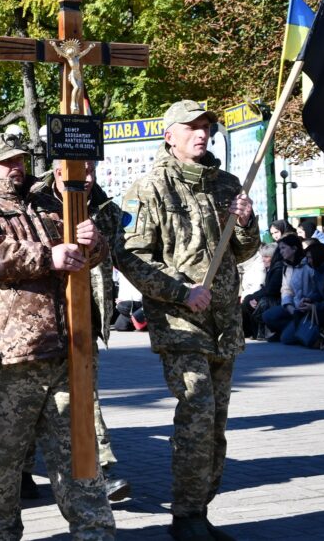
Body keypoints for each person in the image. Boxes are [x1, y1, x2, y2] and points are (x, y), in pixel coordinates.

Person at [0, 134, 115, 540]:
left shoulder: (46, 205)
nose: (16, 167)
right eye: (6, 162)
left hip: (63, 352)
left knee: (79, 457)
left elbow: (85, 253)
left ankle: (95, 532)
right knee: (3, 466)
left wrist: (93, 243)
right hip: (6, 360)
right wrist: (47, 255)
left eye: (19, 160)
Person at [115, 100, 258, 541]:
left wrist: (247, 223)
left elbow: (243, 252)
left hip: (224, 325)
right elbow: (131, 255)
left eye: (206, 127)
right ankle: (186, 517)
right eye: (191, 127)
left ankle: (201, 509)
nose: (201, 134)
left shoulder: (227, 185)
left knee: (215, 424)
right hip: (181, 325)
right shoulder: (150, 187)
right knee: (195, 415)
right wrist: (182, 292)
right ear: (169, 135)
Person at [31, 159, 131, 502]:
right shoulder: (33, 203)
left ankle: (101, 469)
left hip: (86, 317)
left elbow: (127, 255)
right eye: (79, 170)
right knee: (32, 403)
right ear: (59, 171)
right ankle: (22, 467)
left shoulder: (104, 208)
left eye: (91, 170)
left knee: (85, 392)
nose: (87, 178)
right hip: (40, 323)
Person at [261, 235, 313, 343]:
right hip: (293, 307)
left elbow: (315, 289)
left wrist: (306, 305)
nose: (281, 252)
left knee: (287, 339)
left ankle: (294, 330)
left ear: (294, 248)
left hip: (306, 309)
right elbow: (285, 289)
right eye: (280, 249)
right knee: (267, 315)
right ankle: (289, 328)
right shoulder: (287, 266)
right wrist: (289, 306)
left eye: (284, 248)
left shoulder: (308, 266)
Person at [240, 244, 281, 339]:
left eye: (266, 257)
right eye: (263, 256)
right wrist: (254, 296)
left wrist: (256, 297)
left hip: (277, 299)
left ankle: (254, 332)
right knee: (248, 299)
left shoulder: (278, 269)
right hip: (271, 296)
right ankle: (252, 332)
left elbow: (271, 289)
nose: (263, 259)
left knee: (249, 301)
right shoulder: (272, 268)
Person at [302, 241, 324, 339]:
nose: (308, 261)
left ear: (318, 256)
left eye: (310, 258)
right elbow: (318, 291)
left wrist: (317, 306)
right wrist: (309, 299)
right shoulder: (318, 269)